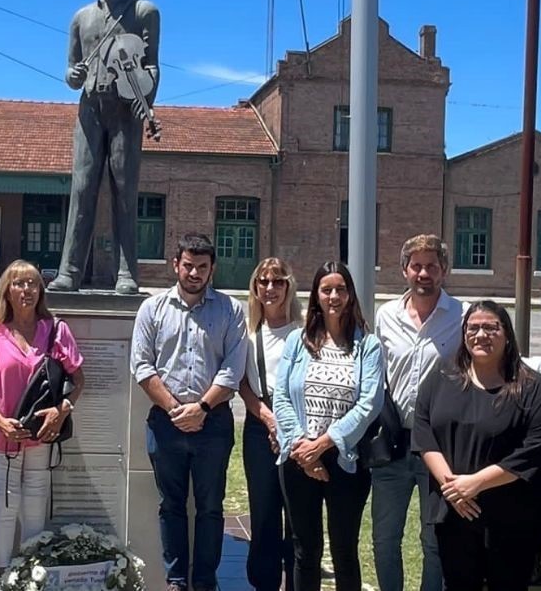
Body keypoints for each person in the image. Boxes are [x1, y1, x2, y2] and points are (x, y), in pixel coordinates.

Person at [413, 300, 541, 591]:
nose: (481, 335)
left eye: (491, 328)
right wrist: (452, 488)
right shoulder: (442, 375)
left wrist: (475, 483)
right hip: (454, 511)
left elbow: (536, 449)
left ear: (507, 335)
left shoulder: (532, 387)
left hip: (513, 519)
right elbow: (424, 430)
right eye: (473, 327)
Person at [131, 233, 247, 591]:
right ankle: (177, 580)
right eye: (188, 265)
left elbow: (232, 369)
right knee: (171, 505)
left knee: (212, 506)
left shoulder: (231, 309)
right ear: (175, 265)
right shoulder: (152, 309)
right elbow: (142, 366)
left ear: (212, 269)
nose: (194, 273)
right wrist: (175, 409)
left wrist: (201, 407)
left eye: (202, 267)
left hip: (213, 423)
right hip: (166, 424)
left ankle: (205, 580)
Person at [48, 0, 160, 294]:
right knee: (82, 189)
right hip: (89, 109)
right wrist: (73, 77)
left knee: (124, 190)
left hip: (126, 108)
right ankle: (69, 271)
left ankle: (126, 273)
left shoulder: (144, 11)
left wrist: (144, 94)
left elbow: (153, 64)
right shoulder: (81, 17)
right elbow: (70, 69)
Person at [272, 261, 384, 591]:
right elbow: (281, 397)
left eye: (340, 289)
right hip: (298, 458)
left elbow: (369, 404)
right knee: (304, 551)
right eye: (326, 289)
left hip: (345, 461)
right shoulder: (297, 341)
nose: (333, 296)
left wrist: (323, 444)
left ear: (350, 295)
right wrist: (302, 449)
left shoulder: (369, 346)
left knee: (343, 552)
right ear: (316, 296)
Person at [0, 259, 84, 568]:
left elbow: (78, 379)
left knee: (36, 501)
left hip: (41, 430)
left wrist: (60, 411)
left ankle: (31, 570)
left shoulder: (55, 329)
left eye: (33, 283)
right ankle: (4, 572)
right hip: (6, 431)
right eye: (19, 283)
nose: (27, 290)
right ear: (7, 290)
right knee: (6, 502)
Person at [370, 234, 462, 591]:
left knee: (434, 540)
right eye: (417, 266)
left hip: (437, 447)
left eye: (432, 266)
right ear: (404, 270)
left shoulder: (462, 315)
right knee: (384, 537)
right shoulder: (386, 315)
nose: (424, 273)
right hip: (391, 444)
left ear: (444, 271)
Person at [237, 257, 304, 591]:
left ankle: (295, 582)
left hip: (298, 430)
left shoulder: (303, 332)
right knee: (263, 514)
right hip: (258, 427)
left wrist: (286, 425)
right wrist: (266, 416)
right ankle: (263, 582)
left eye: (278, 281)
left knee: (296, 515)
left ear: (288, 286)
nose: (270, 288)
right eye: (263, 282)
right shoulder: (247, 332)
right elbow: (241, 383)